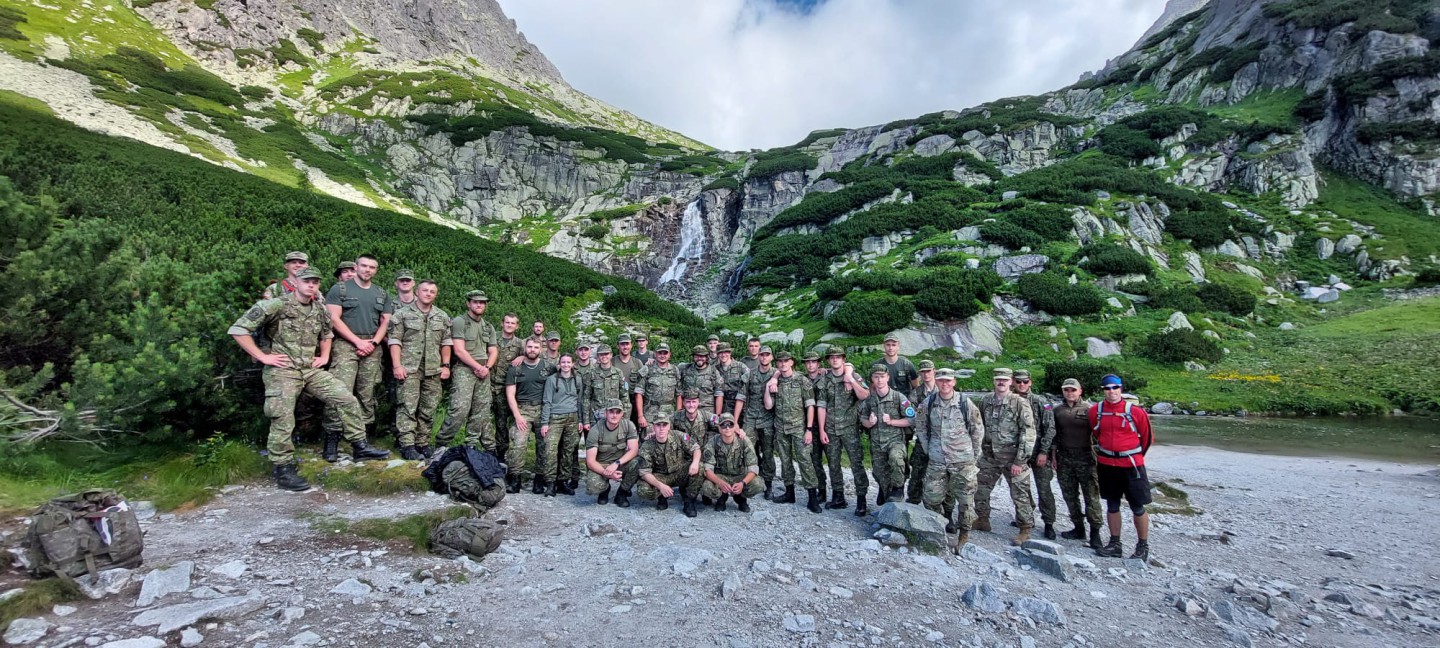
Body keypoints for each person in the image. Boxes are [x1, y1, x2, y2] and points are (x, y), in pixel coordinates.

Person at [229, 267, 389, 491]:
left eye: (315, 282)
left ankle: (359, 445)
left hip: (309, 369)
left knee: (346, 398)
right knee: (282, 415)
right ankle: (282, 467)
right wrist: (262, 356)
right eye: (307, 281)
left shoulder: (320, 309)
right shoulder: (277, 305)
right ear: (296, 283)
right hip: (283, 370)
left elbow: (327, 334)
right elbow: (238, 329)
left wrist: (323, 356)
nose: (311, 285)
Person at [322, 254, 393, 460]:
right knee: (339, 392)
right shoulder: (340, 289)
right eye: (363, 266)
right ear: (356, 267)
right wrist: (357, 342)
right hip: (346, 345)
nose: (367, 270)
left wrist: (372, 343)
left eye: (372, 267)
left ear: (376, 270)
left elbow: (385, 322)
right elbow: (334, 318)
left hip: (372, 346)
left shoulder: (381, 292)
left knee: (366, 393)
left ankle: (361, 444)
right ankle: (331, 442)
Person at [914, 368, 986, 553]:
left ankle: (963, 536)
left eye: (948, 381)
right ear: (936, 382)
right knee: (931, 498)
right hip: (937, 460)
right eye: (941, 381)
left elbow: (977, 430)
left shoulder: (964, 403)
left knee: (966, 501)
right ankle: (938, 531)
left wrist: (974, 455)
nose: (944, 384)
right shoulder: (928, 403)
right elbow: (920, 426)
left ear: (954, 382)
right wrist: (928, 448)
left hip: (962, 461)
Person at [1088, 374, 1154, 561]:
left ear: (1121, 388)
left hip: (1131, 465)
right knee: (1112, 504)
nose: (1111, 391)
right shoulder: (1095, 411)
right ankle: (1115, 543)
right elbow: (1096, 433)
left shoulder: (1136, 412)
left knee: (1137, 506)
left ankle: (1142, 546)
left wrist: (1134, 456)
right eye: (1107, 388)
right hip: (1107, 464)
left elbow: (1147, 438)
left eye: (1115, 387)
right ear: (1103, 391)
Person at [387, 279, 452, 460]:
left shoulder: (442, 316)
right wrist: (397, 365)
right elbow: (394, 341)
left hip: (433, 369)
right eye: (425, 290)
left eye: (432, 291)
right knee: (407, 406)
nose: (428, 294)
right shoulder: (402, 314)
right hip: (409, 368)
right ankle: (407, 445)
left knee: (428, 408)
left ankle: (422, 443)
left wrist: (446, 365)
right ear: (417, 292)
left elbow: (446, 343)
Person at [974, 368, 1038, 545]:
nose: (1001, 382)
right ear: (994, 381)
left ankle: (1025, 528)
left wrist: (1020, 460)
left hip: (1013, 458)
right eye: (998, 379)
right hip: (989, 456)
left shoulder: (1019, 403)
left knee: (1020, 494)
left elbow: (1028, 432)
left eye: (1004, 380)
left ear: (1010, 382)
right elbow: (979, 426)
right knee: (979, 488)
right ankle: (982, 519)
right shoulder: (986, 400)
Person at [436, 290, 498, 453]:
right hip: (465, 370)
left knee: (481, 410)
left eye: (483, 302)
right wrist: (477, 368)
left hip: (484, 371)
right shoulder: (460, 322)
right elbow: (459, 350)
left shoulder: (488, 326)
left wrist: (487, 368)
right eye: (476, 302)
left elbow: (493, 350)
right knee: (459, 409)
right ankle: (442, 442)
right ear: (468, 303)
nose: (479, 304)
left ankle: (471, 443)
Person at [815, 347, 871, 515]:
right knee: (833, 464)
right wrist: (822, 430)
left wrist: (850, 379)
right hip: (831, 429)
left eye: (838, 357)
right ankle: (838, 497)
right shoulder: (825, 380)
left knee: (856, 463)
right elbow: (821, 406)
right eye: (831, 357)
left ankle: (862, 499)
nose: (835, 360)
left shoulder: (853, 376)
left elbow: (865, 395)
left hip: (850, 429)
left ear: (843, 359)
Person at [764, 351, 820, 513]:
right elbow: (768, 406)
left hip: (799, 427)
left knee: (805, 461)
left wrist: (809, 429)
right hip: (780, 428)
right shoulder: (776, 381)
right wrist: (769, 387)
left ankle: (812, 498)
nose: (782, 364)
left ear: (792, 362)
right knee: (785, 461)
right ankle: (789, 493)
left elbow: (810, 406)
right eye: (780, 361)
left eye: (786, 361)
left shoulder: (802, 380)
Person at [1053, 378, 1103, 549]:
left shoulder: (1090, 410)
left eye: (1073, 390)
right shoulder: (1057, 410)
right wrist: (1053, 455)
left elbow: (1099, 435)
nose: (1070, 393)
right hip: (1064, 458)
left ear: (1080, 391)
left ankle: (1095, 532)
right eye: (1066, 390)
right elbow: (1054, 435)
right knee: (1069, 495)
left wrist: (1099, 457)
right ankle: (1078, 527)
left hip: (1086, 458)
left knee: (1091, 496)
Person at [1013, 369, 1058, 539]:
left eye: (1025, 382)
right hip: (1019, 453)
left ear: (1030, 382)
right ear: (1013, 382)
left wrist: (1044, 452)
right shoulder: (1011, 400)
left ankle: (1049, 522)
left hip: (1038, 451)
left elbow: (1050, 428)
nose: (1022, 385)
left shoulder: (1041, 402)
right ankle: (1026, 516)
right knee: (1020, 488)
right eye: (1018, 382)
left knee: (1044, 488)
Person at [860, 364, 911, 506]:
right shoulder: (870, 400)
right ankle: (885, 491)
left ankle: (898, 488)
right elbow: (862, 419)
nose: (879, 380)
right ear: (872, 379)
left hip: (895, 440)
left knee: (896, 459)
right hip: (877, 442)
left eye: (882, 377)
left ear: (887, 378)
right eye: (876, 377)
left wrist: (893, 421)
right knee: (878, 471)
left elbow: (911, 419)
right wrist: (869, 423)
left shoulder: (899, 397)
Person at [504, 339, 549, 493]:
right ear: (524, 348)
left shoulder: (548, 367)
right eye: (529, 346)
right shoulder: (515, 368)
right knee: (518, 444)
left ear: (541, 349)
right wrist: (517, 416)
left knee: (544, 445)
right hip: (522, 409)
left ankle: (539, 479)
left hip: (543, 410)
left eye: (536, 347)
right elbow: (510, 394)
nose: (532, 349)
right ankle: (515, 479)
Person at [635, 416, 703, 517]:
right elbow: (644, 472)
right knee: (643, 490)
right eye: (658, 425)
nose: (661, 428)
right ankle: (662, 496)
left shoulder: (679, 435)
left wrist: (695, 462)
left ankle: (689, 501)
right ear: (653, 427)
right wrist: (660, 486)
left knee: (700, 467)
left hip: (679, 472)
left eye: (664, 425)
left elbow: (696, 448)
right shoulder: (647, 445)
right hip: (661, 476)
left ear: (669, 426)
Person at [539, 355, 583, 496]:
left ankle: (563, 481)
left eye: (568, 362)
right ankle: (550, 483)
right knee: (550, 450)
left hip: (573, 417)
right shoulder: (552, 380)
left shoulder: (577, 379)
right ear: (559, 364)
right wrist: (545, 422)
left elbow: (580, 401)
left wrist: (581, 420)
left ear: (572, 364)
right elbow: (547, 401)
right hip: (555, 417)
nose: (565, 365)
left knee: (568, 451)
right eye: (563, 362)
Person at [702, 413, 764, 512]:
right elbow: (707, 469)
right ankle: (721, 498)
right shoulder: (712, 442)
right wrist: (720, 483)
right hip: (721, 476)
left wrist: (742, 484)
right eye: (723, 425)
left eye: (730, 425)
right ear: (719, 427)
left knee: (758, 484)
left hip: (740, 476)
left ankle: (741, 498)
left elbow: (753, 468)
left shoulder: (744, 441)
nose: (727, 428)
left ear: (735, 426)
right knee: (706, 487)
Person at [584, 399, 640, 507]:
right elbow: (590, 462)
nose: (614, 415)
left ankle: (621, 494)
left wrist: (617, 463)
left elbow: (634, 450)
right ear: (605, 413)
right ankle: (604, 489)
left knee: (638, 463)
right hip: (601, 465)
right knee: (593, 487)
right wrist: (608, 474)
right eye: (611, 412)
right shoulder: (595, 430)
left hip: (619, 463)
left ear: (622, 414)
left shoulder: (628, 425)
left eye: (618, 412)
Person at [743, 346, 779, 499]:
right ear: (758, 357)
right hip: (751, 418)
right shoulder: (751, 375)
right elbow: (742, 396)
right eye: (762, 355)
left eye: (767, 355)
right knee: (748, 450)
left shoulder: (777, 374)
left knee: (768, 452)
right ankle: (749, 480)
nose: (764, 357)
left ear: (771, 357)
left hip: (768, 420)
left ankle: (768, 483)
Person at [490, 312, 526, 462]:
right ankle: (489, 447)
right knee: (483, 418)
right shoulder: (492, 337)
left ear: (517, 326)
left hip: (506, 387)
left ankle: (503, 450)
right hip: (488, 383)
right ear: (502, 323)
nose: (509, 325)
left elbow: (533, 355)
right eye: (507, 322)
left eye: (513, 323)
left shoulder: (520, 343)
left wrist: (522, 356)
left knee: (502, 420)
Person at [907, 359, 940, 505]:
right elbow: (910, 414)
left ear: (934, 371)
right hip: (923, 438)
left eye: (929, 371)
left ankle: (941, 507)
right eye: (923, 372)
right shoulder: (916, 394)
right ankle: (913, 501)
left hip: (941, 440)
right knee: (917, 472)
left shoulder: (943, 390)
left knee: (940, 474)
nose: (926, 374)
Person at [801, 351, 830, 496]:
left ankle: (839, 494)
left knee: (833, 461)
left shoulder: (827, 376)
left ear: (819, 364)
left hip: (828, 425)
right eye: (808, 362)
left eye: (813, 362)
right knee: (815, 460)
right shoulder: (802, 379)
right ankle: (822, 490)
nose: (810, 364)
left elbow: (846, 366)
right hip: (810, 426)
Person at [635, 343, 679, 432]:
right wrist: (640, 416)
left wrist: (678, 414)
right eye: (660, 353)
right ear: (655, 354)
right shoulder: (647, 369)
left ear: (669, 354)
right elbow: (639, 393)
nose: (662, 355)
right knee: (648, 440)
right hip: (650, 413)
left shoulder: (675, 370)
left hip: (669, 414)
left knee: (668, 441)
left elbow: (679, 394)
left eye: (665, 353)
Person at [679, 344, 722, 417]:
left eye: (702, 356)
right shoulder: (685, 369)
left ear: (706, 357)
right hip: (688, 409)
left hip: (707, 411)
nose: (699, 358)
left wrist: (717, 416)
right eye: (696, 356)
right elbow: (679, 392)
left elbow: (719, 394)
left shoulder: (713, 372)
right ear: (693, 357)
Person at [612, 334, 645, 423]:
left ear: (631, 345)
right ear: (617, 346)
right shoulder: (612, 362)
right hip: (617, 401)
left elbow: (644, 383)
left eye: (627, 344)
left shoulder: (637, 363)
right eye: (622, 344)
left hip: (634, 401)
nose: (625, 347)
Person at [880, 333, 920, 398]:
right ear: (884, 346)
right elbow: (872, 388)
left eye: (893, 345)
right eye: (888, 345)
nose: (890, 348)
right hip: (883, 403)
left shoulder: (907, 364)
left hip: (903, 403)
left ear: (898, 346)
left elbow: (916, 387)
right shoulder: (877, 365)